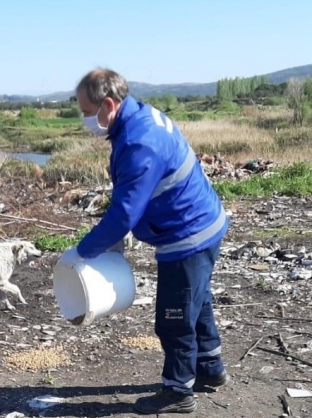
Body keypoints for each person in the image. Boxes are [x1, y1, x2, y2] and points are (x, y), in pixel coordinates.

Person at [69, 68, 230, 414]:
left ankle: (178, 391)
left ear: (108, 105)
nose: (84, 120)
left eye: (86, 112)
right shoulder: (138, 118)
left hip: (187, 234)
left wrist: (82, 252)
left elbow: (125, 213)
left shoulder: (139, 142)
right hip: (201, 222)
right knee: (196, 302)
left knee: (174, 318)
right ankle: (211, 369)